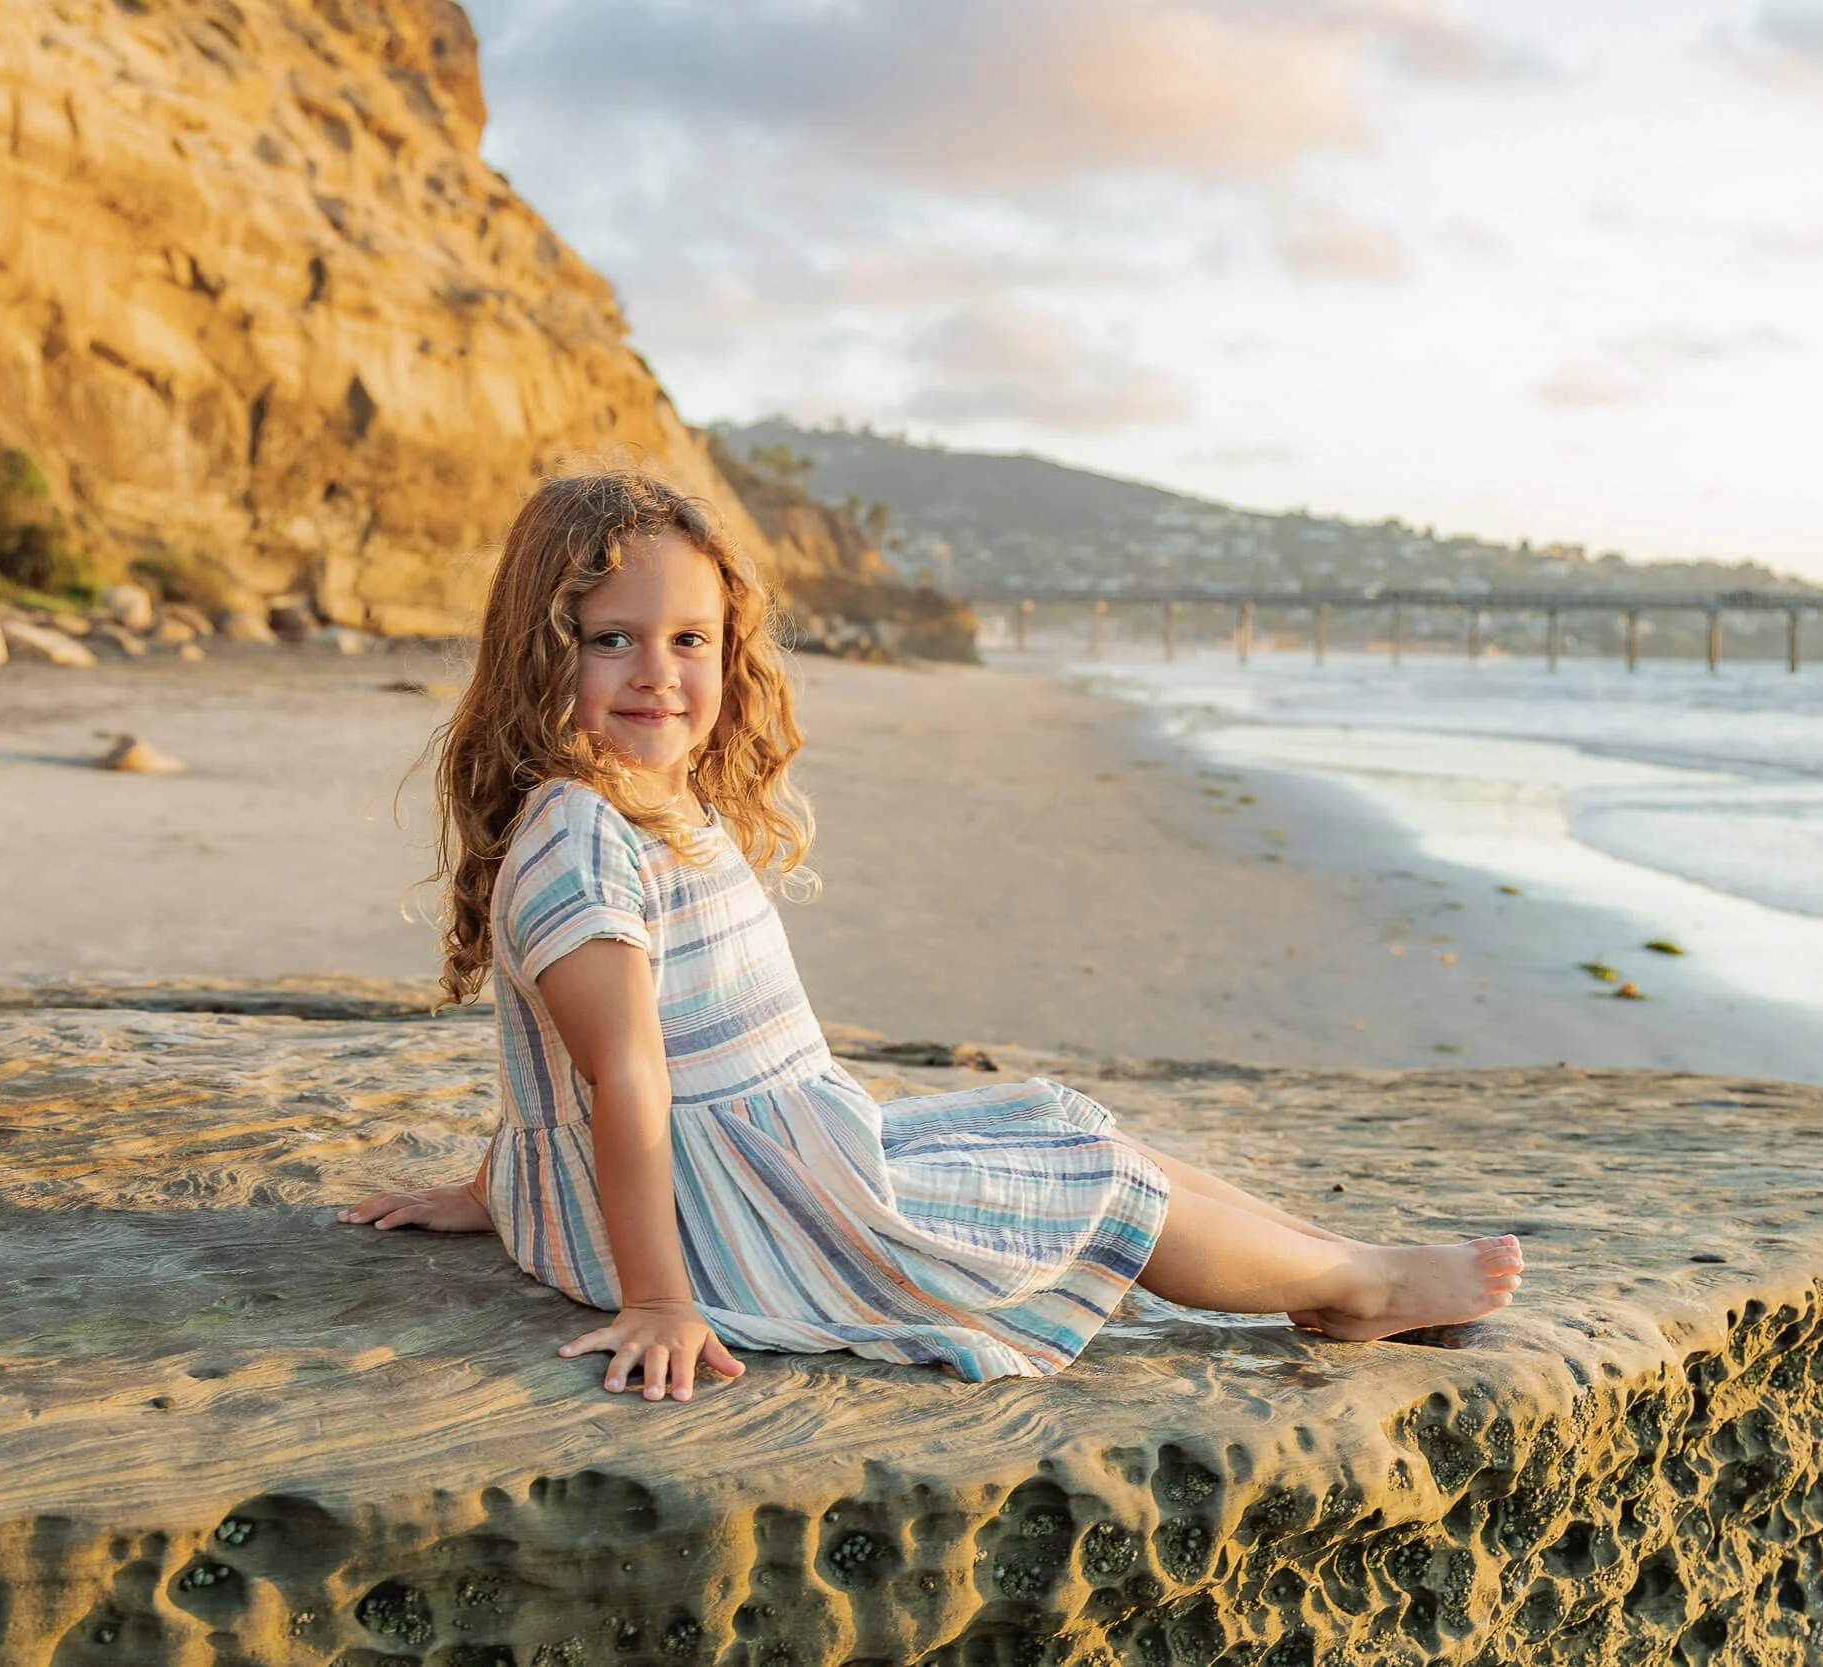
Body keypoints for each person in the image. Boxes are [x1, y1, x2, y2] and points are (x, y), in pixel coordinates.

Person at [338, 472, 1524, 1401]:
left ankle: (1332, 1252)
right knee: (1098, 1182)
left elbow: (550, 1060)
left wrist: (501, 1184)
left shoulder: (644, 803)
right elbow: (620, 1075)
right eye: (612, 639)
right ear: (545, 650)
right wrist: (657, 1299)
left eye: (690, 639)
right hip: (723, 1219)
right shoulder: (583, 837)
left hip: (770, 1153)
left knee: (1058, 1123)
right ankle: (1354, 1285)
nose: (659, 673)